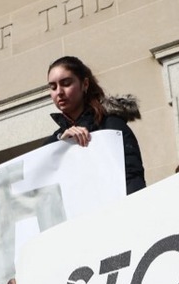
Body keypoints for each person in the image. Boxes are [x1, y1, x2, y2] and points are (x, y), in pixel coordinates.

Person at [46, 56, 147, 195]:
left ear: (85, 84)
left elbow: (132, 179)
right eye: (53, 87)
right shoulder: (53, 142)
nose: (59, 92)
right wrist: (61, 147)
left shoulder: (112, 126)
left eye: (66, 83)